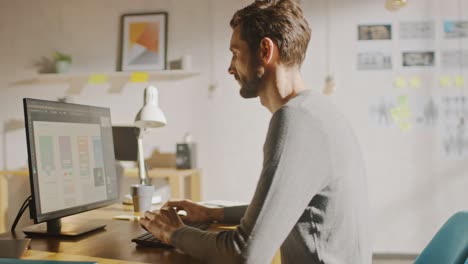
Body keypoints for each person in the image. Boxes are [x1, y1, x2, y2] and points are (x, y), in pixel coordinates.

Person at [140, 0, 371, 263]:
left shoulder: (295, 120)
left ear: (265, 50)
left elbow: (244, 253)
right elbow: (280, 209)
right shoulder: (317, 111)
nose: (230, 67)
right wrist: (212, 214)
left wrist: (174, 233)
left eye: (235, 53)